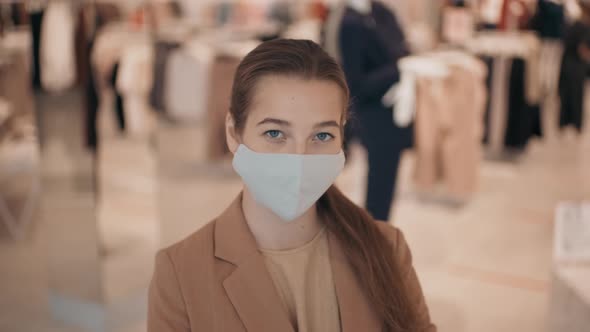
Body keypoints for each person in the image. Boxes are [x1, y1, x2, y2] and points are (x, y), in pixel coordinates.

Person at [147, 39, 435, 332]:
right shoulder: (181, 273)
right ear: (234, 133)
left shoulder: (387, 248)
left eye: (321, 136)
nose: (299, 157)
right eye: (275, 133)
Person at [336, 0, 412, 221]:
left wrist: (401, 64)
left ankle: (380, 234)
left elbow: (403, 49)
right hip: (373, 115)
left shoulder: (382, 12)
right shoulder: (349, 22)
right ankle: (374, 236)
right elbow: (357, 84)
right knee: (379, 185)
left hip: (394, 111)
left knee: (387, 182)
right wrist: (399, 69)